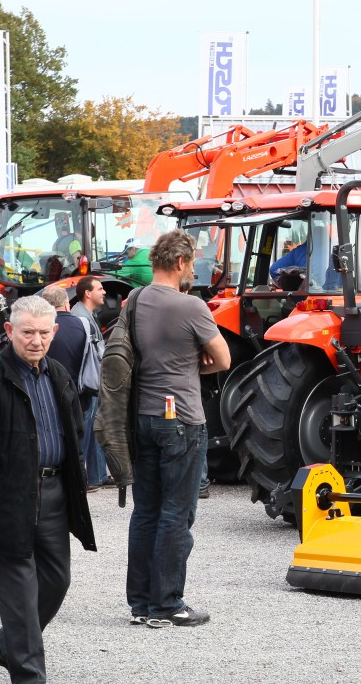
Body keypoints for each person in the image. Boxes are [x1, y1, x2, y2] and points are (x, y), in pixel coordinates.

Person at [0, 296, 95, 683]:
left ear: (54, 332)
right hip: (7, 505)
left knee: (57, 581)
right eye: (27, 332)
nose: (36, 340)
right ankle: (29, 676)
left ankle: (4, 646)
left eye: (44, 333)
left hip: (54, 496)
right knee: (21, 604)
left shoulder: (58, 374)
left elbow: (75, 432)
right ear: (10, 331)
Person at [127, 230, 230, 628]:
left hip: (144, 417)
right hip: (182, 420)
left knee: (146, 512)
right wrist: (192, 363)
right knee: (176, 514)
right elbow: (221, 360)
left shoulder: (135, 300)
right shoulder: (191, 306)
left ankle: (141, 604)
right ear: (182, 263)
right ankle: (168, 605)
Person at [71, 276, 109, 490]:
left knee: (95, 427)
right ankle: (84, 477)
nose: (104, 292)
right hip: (87, 384)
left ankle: (97, 476)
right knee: (86, 429)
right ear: (88, 293)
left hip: (90, 382)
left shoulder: (86, 314)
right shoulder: (80, 317)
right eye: (100, 288)